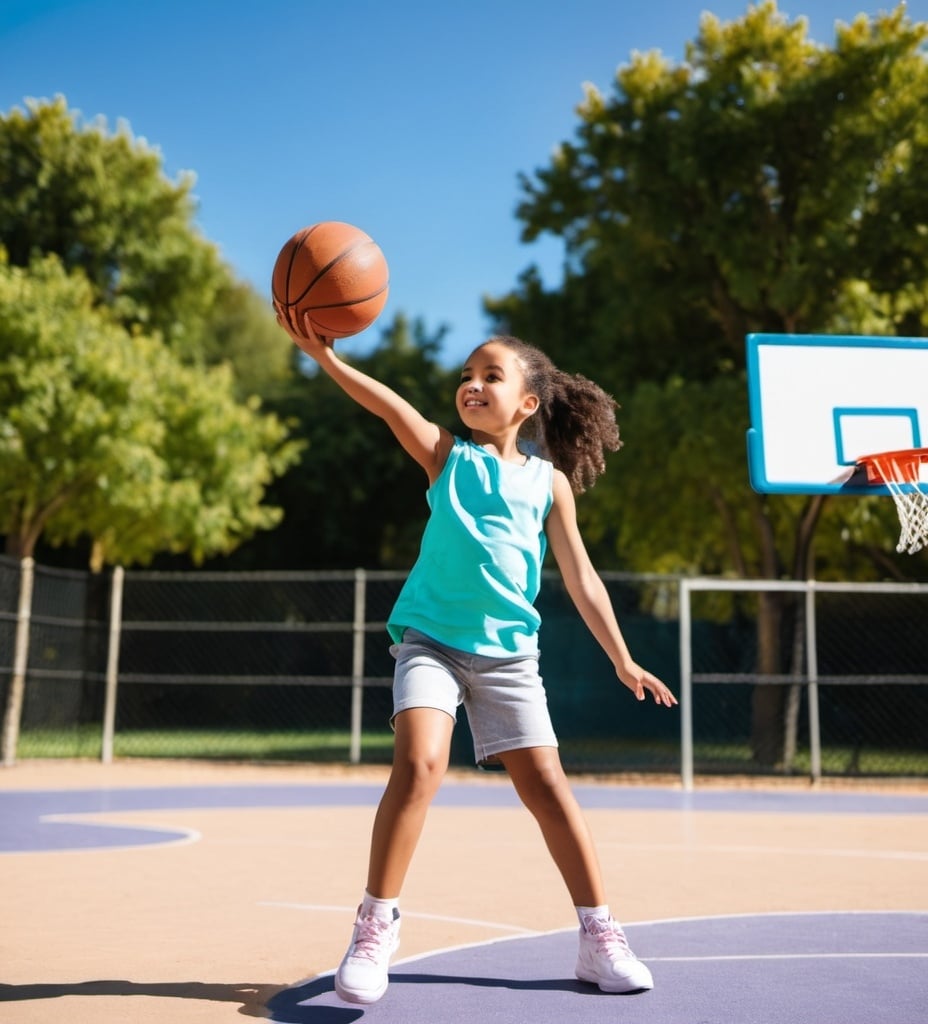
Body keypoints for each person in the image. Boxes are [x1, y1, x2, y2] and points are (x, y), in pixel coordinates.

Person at [276, 308, 678, 1005]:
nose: (472, 384)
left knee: (549, 788)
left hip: (510, 657)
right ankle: (375, 927)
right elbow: (388, 406)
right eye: (466, 375)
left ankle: (599, 935)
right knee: (419, 764)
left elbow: (581, 577)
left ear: (527, 403)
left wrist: (622, 656)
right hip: (431, 640)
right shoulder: (445, 456)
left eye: (490, 375)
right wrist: (328, 360)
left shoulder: (548, 484)